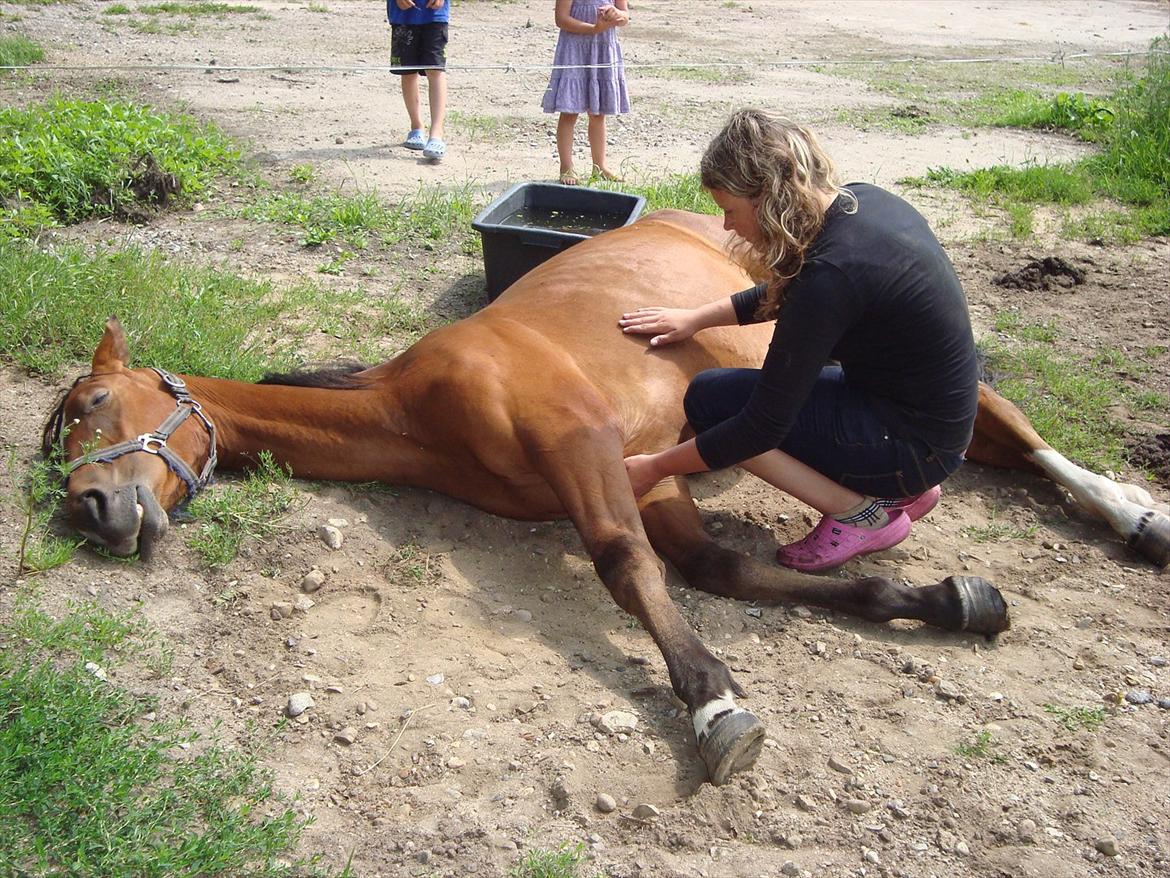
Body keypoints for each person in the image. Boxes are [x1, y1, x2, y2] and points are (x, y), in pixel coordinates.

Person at [618, 109, 979, 572]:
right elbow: (792, 289)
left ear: (767, 197)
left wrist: (656, 467)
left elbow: (760, 427)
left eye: (730, 210)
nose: (726, 225)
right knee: (765, 390)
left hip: (913, 445)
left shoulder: (831, 276)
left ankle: (861, 515)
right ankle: (902, 489)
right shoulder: (861, 203)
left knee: (712, 402)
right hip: (932, 423)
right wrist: (697, 318)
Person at [542, 0, 630, 185]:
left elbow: (625, 15)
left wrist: (616, 14)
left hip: (603, 48)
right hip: (574, 49)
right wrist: (593, 28)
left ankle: (600, 166)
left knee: (598, 114)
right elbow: (561, 18)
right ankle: (566, 167)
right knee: (569, 111)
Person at [388, 0, 449, 161]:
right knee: (407, 72)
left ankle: (436, 133)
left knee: (435, 69)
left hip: (436, 15)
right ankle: (416, 126)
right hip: (402, 16)